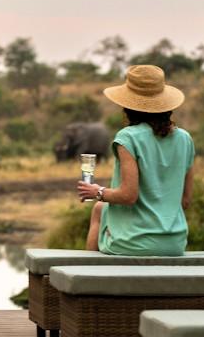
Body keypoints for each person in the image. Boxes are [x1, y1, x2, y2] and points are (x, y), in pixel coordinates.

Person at [77, 65, 194, 256]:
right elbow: (186, 200)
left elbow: (128, 196)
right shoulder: (185, 139)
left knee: (98, 208)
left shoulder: (128, 137)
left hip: (134, 244)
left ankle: (88, 274)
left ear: (128, 105)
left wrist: (97, 191)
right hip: (175, 244)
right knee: (101, 209)